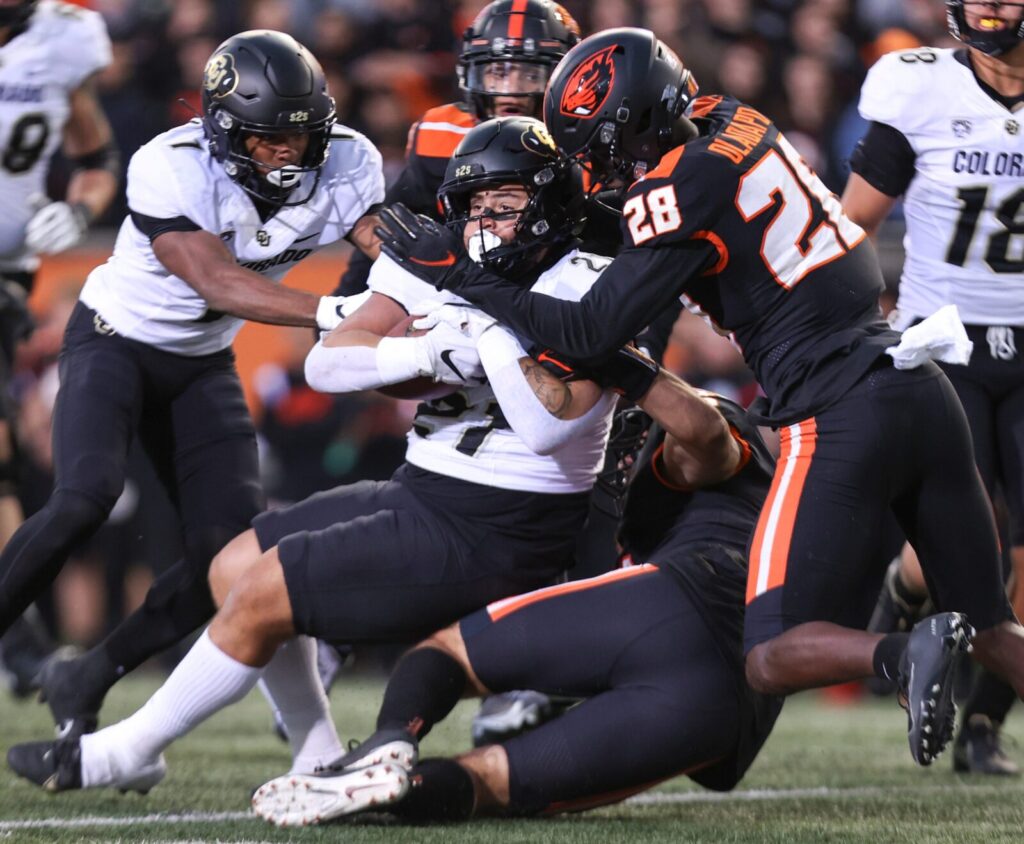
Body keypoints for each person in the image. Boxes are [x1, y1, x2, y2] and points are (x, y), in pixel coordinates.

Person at [375, 26, 1024, 767]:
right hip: (919, 382)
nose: (599, 169)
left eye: (602, 149)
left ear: (637, 125)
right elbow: (668, 223)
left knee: (771, 654)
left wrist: (465, 275)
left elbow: (589, 331)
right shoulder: (730, 119)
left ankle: (901, 652)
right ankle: (930, 643)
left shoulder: (677, 186)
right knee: (996, 626)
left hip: (841, 411)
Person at [4, 115, 629, 793]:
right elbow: (326, 365)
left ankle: (120, 753)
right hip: (424, 492)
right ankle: (314, 749)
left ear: (552, 203)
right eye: (473, 206)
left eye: (504, 205)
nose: (484, 223)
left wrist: (487, 336)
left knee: (265, 585)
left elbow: (546, 428)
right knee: (235, 559)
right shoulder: (457, 259)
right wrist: (419, 349)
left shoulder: (591, 284)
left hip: (507, 523)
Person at [0, 29, 385, 739]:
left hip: (203, 362)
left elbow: (383, 249)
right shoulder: (168, 163)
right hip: (115, 343)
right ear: (224, 132)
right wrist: (334, 310)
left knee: (226, 554)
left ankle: (91, 672)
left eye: (301, 136)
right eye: (268, 138)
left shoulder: (351, 160)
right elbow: (215, 280)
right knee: (86, 497)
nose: (288, 152)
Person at [250, 382, 784, 826]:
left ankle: (390, 739)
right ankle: (390, 791)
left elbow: (706, 431)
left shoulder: (734, 431)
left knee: (448, 651)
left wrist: (633, 371)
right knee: (487, 784)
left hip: (676, 605)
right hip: (725, 709)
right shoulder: (831, 518)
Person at [841, 0, 1024, 775]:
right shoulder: (918, 89)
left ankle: (983, 722)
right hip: (943, 338)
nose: (988, 5)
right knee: (966, 536)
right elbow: (851, 225)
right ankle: (906, 588)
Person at [0, 0, 119, 694]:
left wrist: (76, 210)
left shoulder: (64, 40)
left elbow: (96, 158)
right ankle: (20, 642)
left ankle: (19, 639)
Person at [335, 0, 581, 297]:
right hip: (462, 290)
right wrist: (347, 297)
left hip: (561, 291)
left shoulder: (583, 139)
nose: (510, 90)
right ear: (473, 70)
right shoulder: (441, 132)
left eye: (531, 73)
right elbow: (396, 229)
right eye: (498, 72)